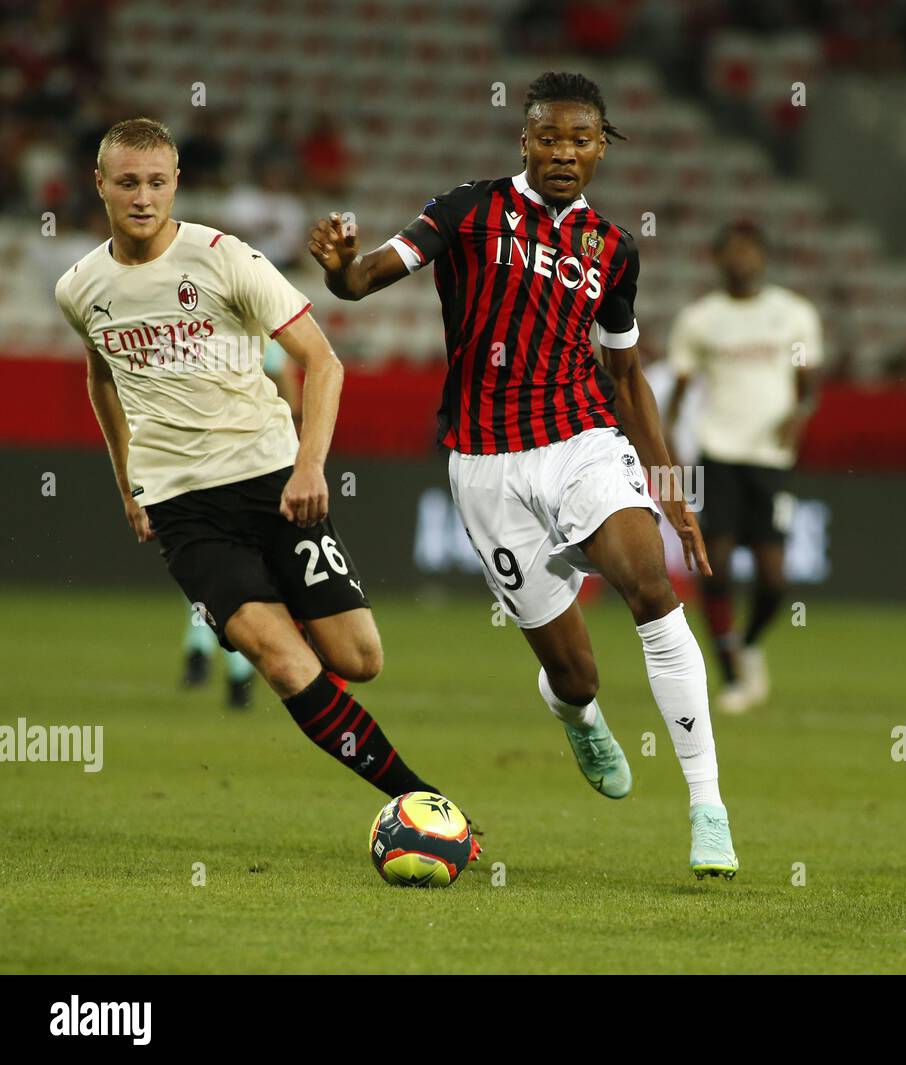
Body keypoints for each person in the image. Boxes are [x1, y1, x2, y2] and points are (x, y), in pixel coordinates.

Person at [308, 72, 737, 879]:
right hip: (484, 465)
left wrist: (672, 492)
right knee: (574, 672)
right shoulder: (464, 211)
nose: (564, 152)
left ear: (603, 146)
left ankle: (707, 806)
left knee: (650, 585)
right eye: (549, 137)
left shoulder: (614, 249)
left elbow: (629, 376)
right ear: (525, 141)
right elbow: (365, 279)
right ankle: (576, 713)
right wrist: (338, 268)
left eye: (581, 139)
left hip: (582, 440)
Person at [55, 118, 474, 845]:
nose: (143, 197)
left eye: (157, 181)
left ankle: (275, 600)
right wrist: (128, 482)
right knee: (284, 664)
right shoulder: (80, 287)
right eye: (127, 182)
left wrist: (310, 464)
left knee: (358, 659)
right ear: (100, 185)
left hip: (273, 480)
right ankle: (426, 804)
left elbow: (325, 362)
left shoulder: (225, 259)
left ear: (177, 181)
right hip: (184, 507)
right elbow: (102, 378)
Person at [665, 220, 821, 713]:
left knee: (774, 578)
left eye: (749, 251)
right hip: (718, 454)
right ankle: (731, 673)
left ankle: (748, 642)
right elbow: (678, 393)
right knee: (717, 565)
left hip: (771, 461)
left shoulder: (792, 314)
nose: (742, 259)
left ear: (763, 257)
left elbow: (809, 384)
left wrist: (797, 417)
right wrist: (668, 450)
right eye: (732, 251)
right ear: (718, 259)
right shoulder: (700, 319)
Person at [180, 338, 302, 708]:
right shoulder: (258, 335)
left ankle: (203, 652)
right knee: (242, 573)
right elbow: (293, 399)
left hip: (206, 465)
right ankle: (237, 673)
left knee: (209, 569)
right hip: (249, 467)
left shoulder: (198, 334)